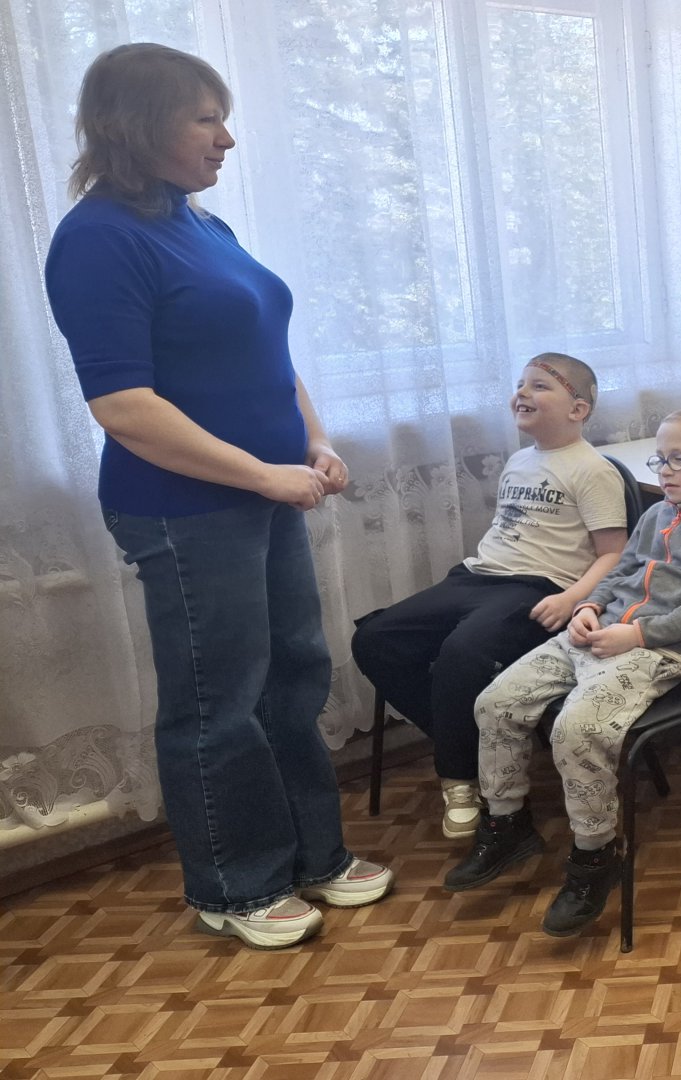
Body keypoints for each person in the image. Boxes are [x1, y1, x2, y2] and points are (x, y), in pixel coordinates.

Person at [42, 44, 390, 950]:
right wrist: (264, 474)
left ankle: (312, 855)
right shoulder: (98, 239)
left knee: (293, 678)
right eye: (206, 119)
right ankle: (234, 887)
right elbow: (124, 407)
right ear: (137, 125)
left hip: (265, 495)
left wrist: (313, 442)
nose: (227, 138)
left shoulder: (202, 227)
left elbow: (269, 355)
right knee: (217, 703)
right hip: (186, 511)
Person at [444, 410, 681, 937]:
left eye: (679, 460)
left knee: (578, 729)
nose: (665, 470)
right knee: (496, 702)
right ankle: (507, 822)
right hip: (597, 631)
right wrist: (588, 606)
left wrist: (636, 635)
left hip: (656, 651)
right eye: (661, 459)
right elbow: (621, 570)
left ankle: (596, 855)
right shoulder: (657, 514)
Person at [350, 354, 627, 838]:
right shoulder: (519, 461)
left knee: (463, 652)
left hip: (538, 587)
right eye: (520, 384)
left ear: (578, 409)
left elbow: (614, 553)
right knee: (375, 638)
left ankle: (458, 777)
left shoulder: (593, 470)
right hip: (477, 577)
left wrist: (572, 599)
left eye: (540, 386)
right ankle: (474, 746)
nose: (522, 393)